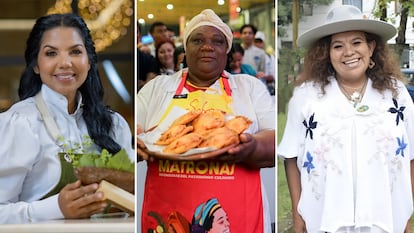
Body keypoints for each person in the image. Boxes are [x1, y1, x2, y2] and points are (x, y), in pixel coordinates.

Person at [278, 5, 414, 233]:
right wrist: (297, 213)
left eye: (357, 42)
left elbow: (411, 155)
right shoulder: (307, 97)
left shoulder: (396, 95)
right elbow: (291, 156)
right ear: (326, 53)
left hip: (383, 220)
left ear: (371, 47)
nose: (348, 52)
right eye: (337, 46)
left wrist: (405, 211)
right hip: (324, 220)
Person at [137, 9, 275, 233]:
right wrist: (138, 141)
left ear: (227, 52)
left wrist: (252, 147)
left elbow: (274, 142)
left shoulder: (249, 88)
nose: (207, 46)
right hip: (169, 216)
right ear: (185, 50)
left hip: (240, 217)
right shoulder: (157, 88)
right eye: (198, 40)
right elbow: (130, 137)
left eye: (217, 41)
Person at [0, 13, 134, 224]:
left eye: (75, 52)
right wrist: (55, 208)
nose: (65, 63)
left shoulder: (114, 125)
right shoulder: (19, 124)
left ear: (89, 61)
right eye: (51, 53)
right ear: (36, 65)